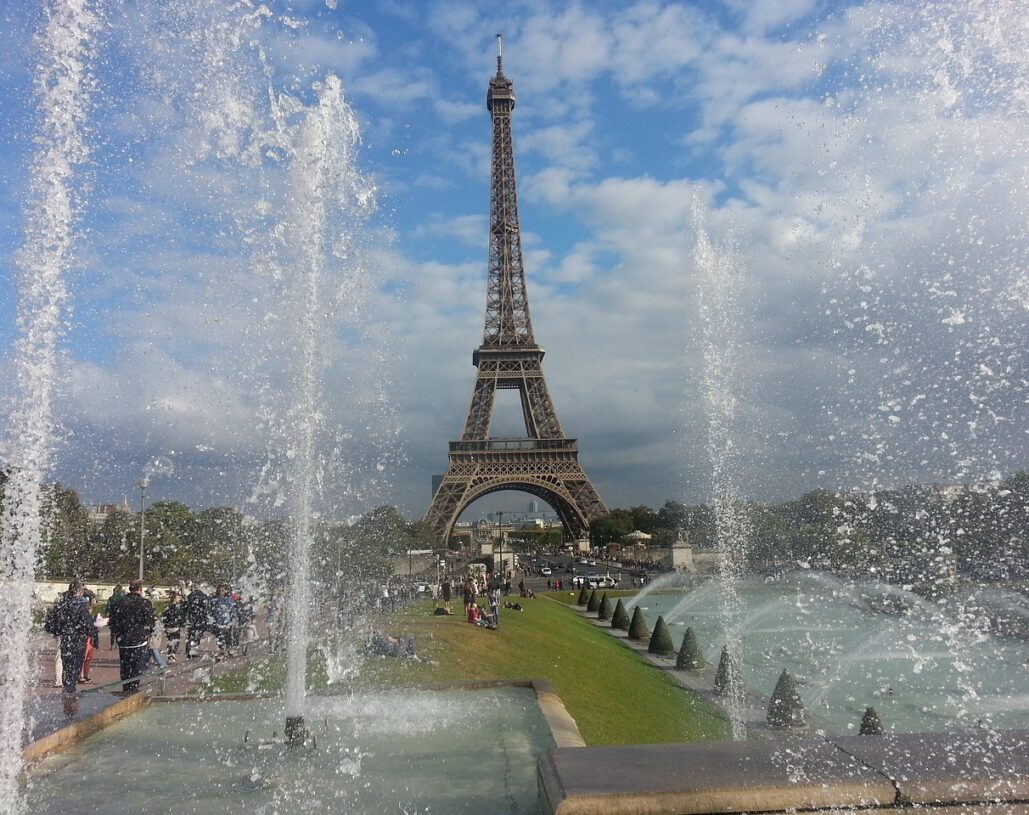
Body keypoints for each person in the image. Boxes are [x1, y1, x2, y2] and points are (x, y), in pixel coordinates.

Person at [109, 579, 156, 693]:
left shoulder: (119, 603)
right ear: (140, 589)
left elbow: (112, 622)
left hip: (123, 640)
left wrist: (117, 634)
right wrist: (147, 633)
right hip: (138, 640)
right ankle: (133, 689)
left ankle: (126, 689)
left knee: (125, 666)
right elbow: (150, 622)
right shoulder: (144, 603)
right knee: (137, 667)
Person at [46, 582, 93, 695]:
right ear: (79, 592)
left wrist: (60, 632)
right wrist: (88, 632)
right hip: (77, 642)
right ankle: (69, 694)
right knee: (74, 670)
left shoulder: (61, 605)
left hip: (66, 641)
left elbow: (49, 624)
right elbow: (88, 625)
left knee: (67, 668)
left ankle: (67, 691)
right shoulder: (80, 606)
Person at [209, 584, 235, 659]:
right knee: (220, 637)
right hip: (218, 622)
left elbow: (232, 610)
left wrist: (233, 620)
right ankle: (222, 652)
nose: (221, 592)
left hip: (227, 622)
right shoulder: (214, 600)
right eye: (220, 590)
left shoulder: (228, 600)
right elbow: (211, 611)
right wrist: (212, 621)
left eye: (223, 590)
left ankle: (230, 651)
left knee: (228, 637)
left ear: (225, 591)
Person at [185, 584, 209, 659]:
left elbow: (186, 607)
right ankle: (193, 651)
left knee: (191, 634)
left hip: (192, 618)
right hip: (200, 618)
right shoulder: (203, 596)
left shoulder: (189, 596)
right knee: (197, 635)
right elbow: (206, 607)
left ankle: (189, 649)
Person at [161, 590, 186, 662]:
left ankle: (169, 656)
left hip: (168, 627)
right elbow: (181, 617)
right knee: (176, 641)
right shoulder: (178, 607)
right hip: (175, 627)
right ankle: (173, 653)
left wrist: (165, 625)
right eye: (178, 597)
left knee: (170, 641)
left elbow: (164, 617)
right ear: (175, 598)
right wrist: (182, 624)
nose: (179, 599)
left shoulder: (167, 607)